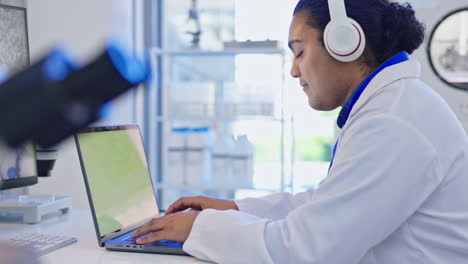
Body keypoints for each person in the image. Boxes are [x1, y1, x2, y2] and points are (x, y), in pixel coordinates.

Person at [131, 0, 468, 263]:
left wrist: (199, 228)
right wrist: (233, 209)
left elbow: (306, 252)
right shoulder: (393, 107)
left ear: (345, 42)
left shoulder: (394, 123)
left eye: (300, 52)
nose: (294, 70)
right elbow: (323, 203)